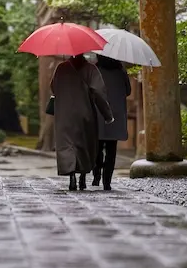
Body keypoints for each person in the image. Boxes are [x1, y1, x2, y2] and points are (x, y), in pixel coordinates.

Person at [51, 53, 113, 191]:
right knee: (84, 144)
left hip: (64, 114)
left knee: (67, 145)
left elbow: (53, 87)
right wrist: (107, 115)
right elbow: (99, 92)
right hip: (85, 113)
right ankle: (83, 175)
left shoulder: (61, 68)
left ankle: (71, 175)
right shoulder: (91, 69)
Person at [91, 54, 131, 191]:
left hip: (99, 112)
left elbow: (90, 89)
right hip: (116, 113)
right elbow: (128, 91)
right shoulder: (120, 71)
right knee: (111, 149)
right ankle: (107, 181)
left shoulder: (95, 69)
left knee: (97, 147)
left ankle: (96, 175)